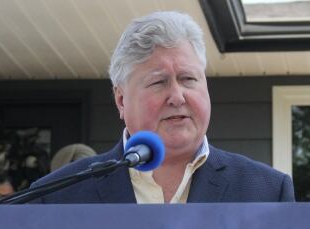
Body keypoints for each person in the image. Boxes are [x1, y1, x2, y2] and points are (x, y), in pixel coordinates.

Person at [31, 11, 293, 204]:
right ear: (121, 100)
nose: (177, 96)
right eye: (159, 82)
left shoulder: (268, 191)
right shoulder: (56, 196)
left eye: (188, 79)